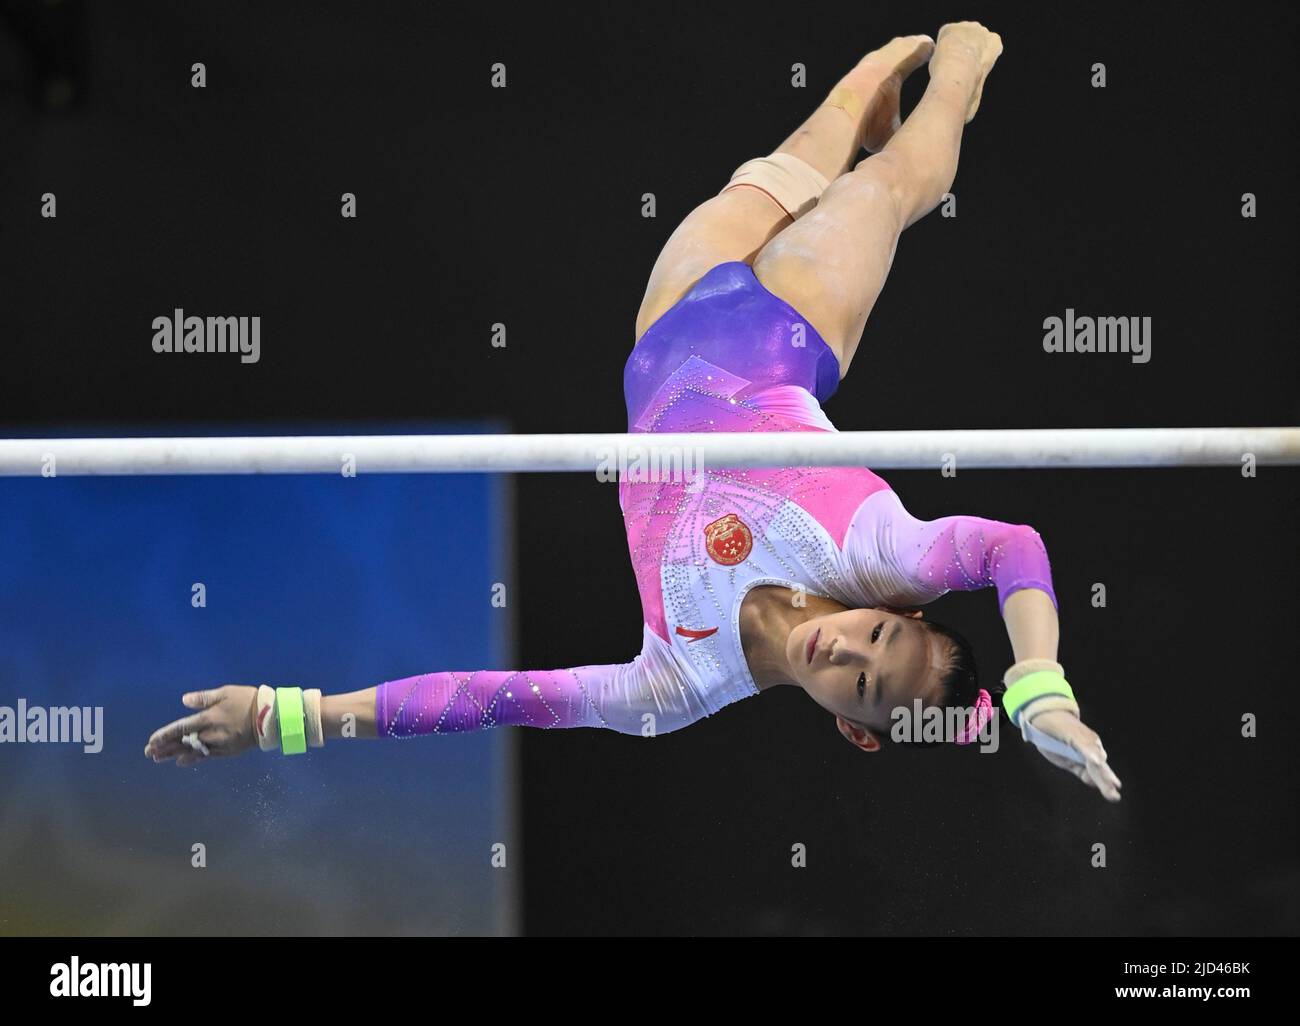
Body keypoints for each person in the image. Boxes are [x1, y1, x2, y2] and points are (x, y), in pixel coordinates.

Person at [145, 23, 1121, 801]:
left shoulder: (676, 684)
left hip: (663, 343)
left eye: (863, 682)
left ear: (851, 729)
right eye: (881, 635)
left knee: (769, 182)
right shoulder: (876, 555)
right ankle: (961, 61)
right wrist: (1038, 685)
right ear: (892, 609)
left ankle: (872, 87)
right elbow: (1008, 546)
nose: (851, 647)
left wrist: (286, 717)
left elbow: (489, 700)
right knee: (886, 183)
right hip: (788, 333)